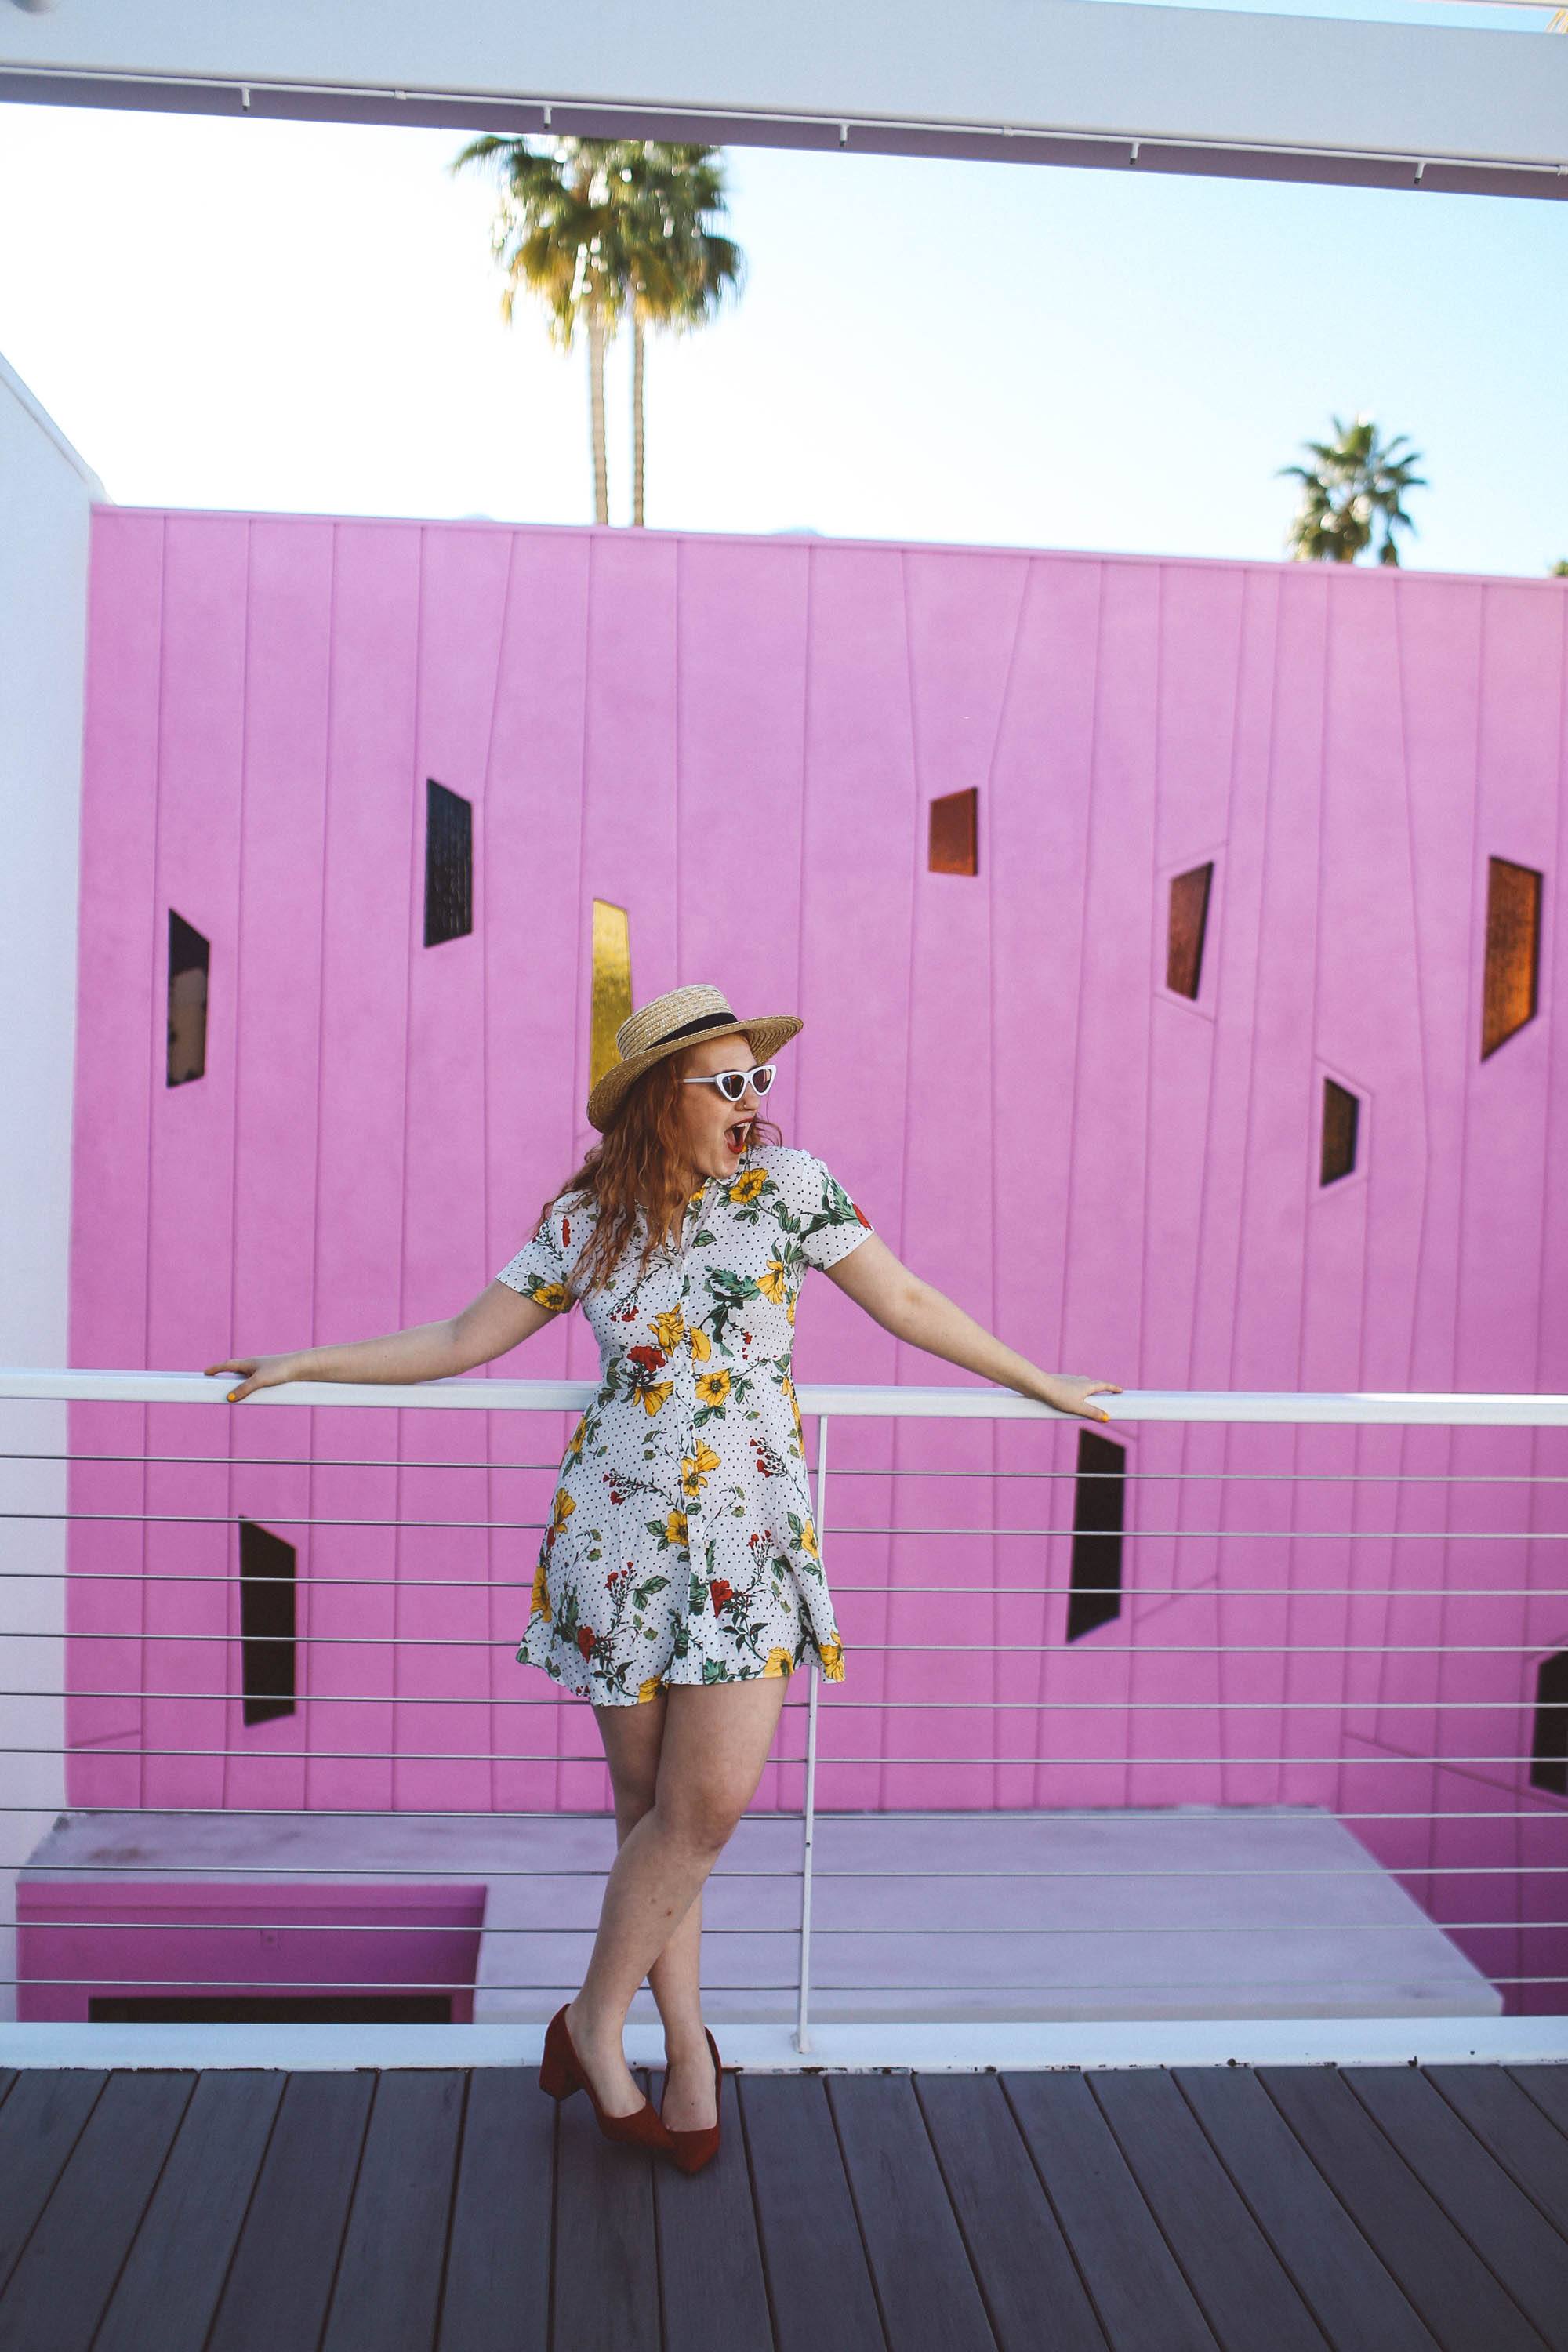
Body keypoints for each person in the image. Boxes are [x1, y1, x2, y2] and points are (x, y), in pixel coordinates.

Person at [207, 982, 1120, 2172]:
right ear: (660, 1101)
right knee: (651, 1821)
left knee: (705, 1810)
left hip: (748, 1545)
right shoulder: (591, 1219)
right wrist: (304, 1362)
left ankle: (591, 2022)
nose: (753, 1104)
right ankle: (686, 2049)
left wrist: (1036, 1379)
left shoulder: (791, 1192)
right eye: (726, 1085)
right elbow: (457, 1342)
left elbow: (903, 1301)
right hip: (618, 1545)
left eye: (760, 1083)